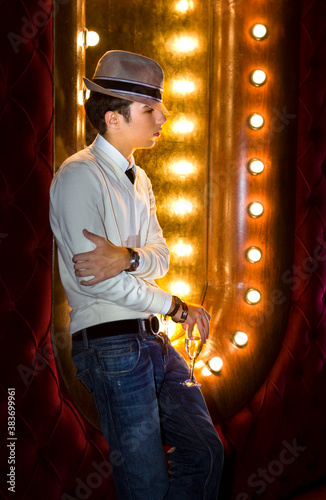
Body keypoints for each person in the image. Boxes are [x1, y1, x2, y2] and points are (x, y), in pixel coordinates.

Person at [50, 50, 224, 500]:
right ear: (113, 119)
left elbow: (160, 257)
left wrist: (128, 258)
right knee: (145, 486)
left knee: (205, 452)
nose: (162, 116)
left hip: (150, 340)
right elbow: (97, 278)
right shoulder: (77, 177)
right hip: (110, 346)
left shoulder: (139, 178)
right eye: (150, 109)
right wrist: (176, 307)